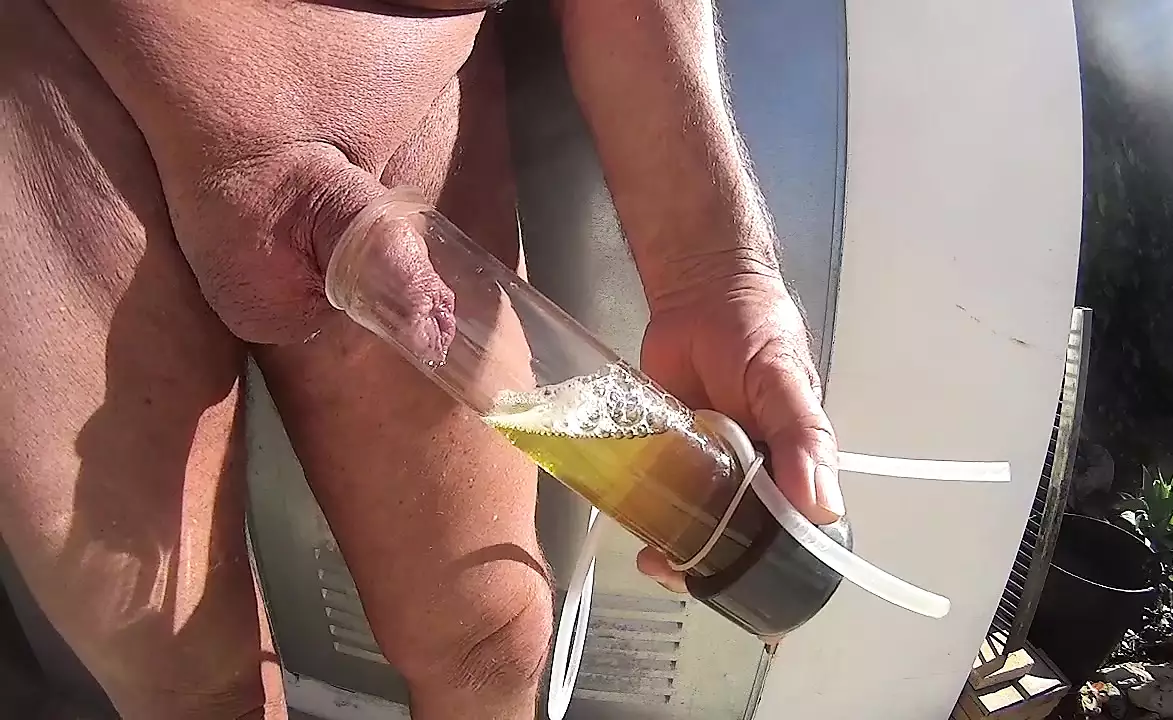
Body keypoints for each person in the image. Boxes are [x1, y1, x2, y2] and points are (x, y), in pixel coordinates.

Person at [0, 1, 846, 718]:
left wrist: (714, 269)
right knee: (188, 687)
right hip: (53, 97)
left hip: (393, 74)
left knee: (490, 643)